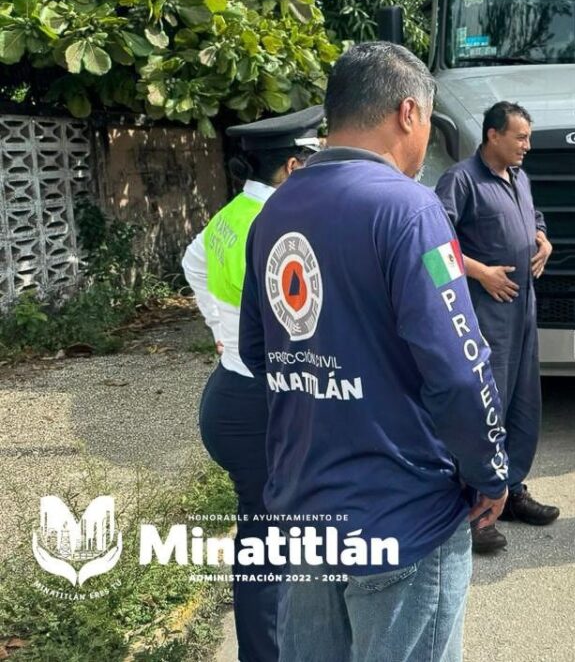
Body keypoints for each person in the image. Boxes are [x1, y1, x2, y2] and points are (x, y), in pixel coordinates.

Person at [239, 42, 510, 662]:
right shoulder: (409, 208)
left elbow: (259, 352)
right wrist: (489, 471)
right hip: (402, 514)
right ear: (408, 113)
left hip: (306, 512)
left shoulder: (275, 211)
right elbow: (461, 372)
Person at [181, 103, 322, 662]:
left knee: (267, 537)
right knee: (269, 549)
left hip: (230, 394)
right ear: (292, 167)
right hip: (260, 408)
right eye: (311, 160)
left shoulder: (231, 215)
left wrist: (220, 329)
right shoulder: (281, 226)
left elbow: (192, 262)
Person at [435, 101, 558, 555]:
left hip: (523, 309)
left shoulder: (518, 177)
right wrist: (481, 272)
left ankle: (511, 489)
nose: (527, 145)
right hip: (485, 314)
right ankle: (475, 510)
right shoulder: (461, 180)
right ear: (493, 135)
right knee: (487, 407)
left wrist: (543, 240)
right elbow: (435, 246)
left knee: (523, 405)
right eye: (520, 137)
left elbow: (534, 219)